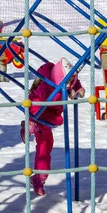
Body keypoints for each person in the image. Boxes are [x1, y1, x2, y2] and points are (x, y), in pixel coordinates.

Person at [20, 57, 85, 196]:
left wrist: (78, 88)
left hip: (46, 121)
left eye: (71, 81)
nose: (69, 84)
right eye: (67, 81)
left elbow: (74, 82)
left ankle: (39, 178)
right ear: (58, 77)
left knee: (46, 147)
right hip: (37, 112)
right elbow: (46, 98)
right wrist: (65, 93)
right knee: (46, 113)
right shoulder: (47, 82)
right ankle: (30, 124)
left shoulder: (65, 81)